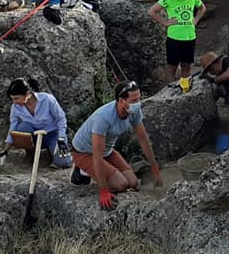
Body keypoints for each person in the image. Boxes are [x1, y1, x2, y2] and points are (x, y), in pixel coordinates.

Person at [70, 81, 163, 210]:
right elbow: (97, 155)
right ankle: (81, 170)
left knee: (133, 183)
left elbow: (143, 138)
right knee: (121, 185)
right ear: (121, 100)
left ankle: (97, 172)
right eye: (134, 100)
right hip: (84, 152)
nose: (138, 103)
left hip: (107, 151)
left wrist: (154, 167)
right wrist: (103, 191)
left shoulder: (133, 111)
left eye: (139, 99)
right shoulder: (103, 118)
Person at [0, 78, 72, 172]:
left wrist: (61, 138)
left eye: (17, 98)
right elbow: (12, 129)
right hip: (35, 136)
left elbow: (61, 119)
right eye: (12, 99)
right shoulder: (15, 107)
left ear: (27, 94)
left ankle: (52, 150)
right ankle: (31, 152)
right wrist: (5, 152)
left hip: (53, 134)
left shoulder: (47, 99)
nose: (14, 102)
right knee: (22, 128)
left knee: (64, 163)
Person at [149, 0, 206, 93]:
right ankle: (170, 90)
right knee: (172, 66)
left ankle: (185, 89)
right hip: (174, 37)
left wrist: (196, 19)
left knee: (186, 65)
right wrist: (165, 22)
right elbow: (152, 11)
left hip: (189, 36)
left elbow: (202, 8)